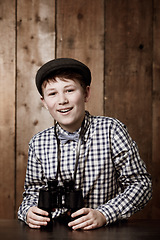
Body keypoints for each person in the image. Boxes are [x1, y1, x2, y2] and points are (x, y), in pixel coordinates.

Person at [18, 58, 152, 230]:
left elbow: (140, 184)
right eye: (52, 94)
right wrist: (28, 211)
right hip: (53, 231)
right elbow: (32, 193)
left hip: (103, 230)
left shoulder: (111, 130)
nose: (62, 100)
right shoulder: (38, 142)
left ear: (86, 93)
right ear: (44, 102)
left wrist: (105, 214)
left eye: (70, 90)